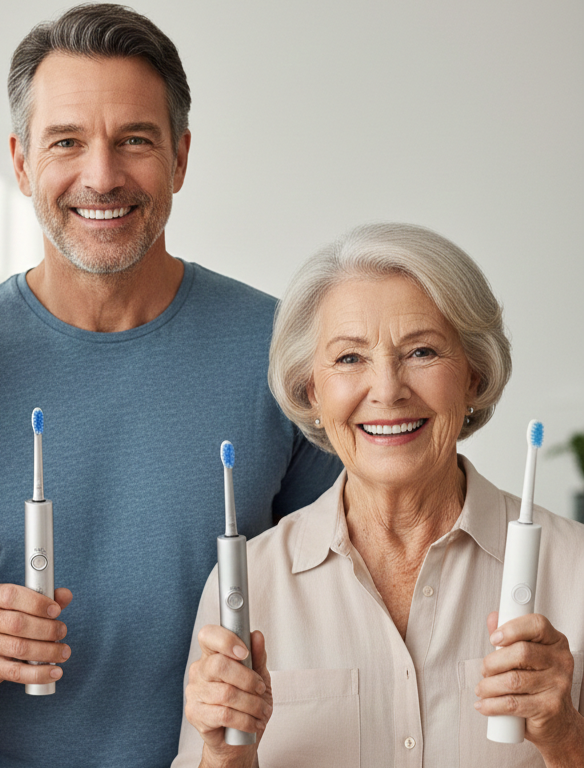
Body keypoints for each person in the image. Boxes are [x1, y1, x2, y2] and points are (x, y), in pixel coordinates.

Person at [0, 5, 341, 766]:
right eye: (67, 142)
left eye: (135, 140)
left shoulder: (282, 354)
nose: (102, 175)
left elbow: (341, 607)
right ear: (22, 161)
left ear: (181, 157)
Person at [173, 222, 584, 767]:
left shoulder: (575, 568)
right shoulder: (249, 579)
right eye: (349, 358)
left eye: (422, 352)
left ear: (475, 377)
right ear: (310, 391)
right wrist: (222, 757)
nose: (388, 389)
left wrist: (567, 739)